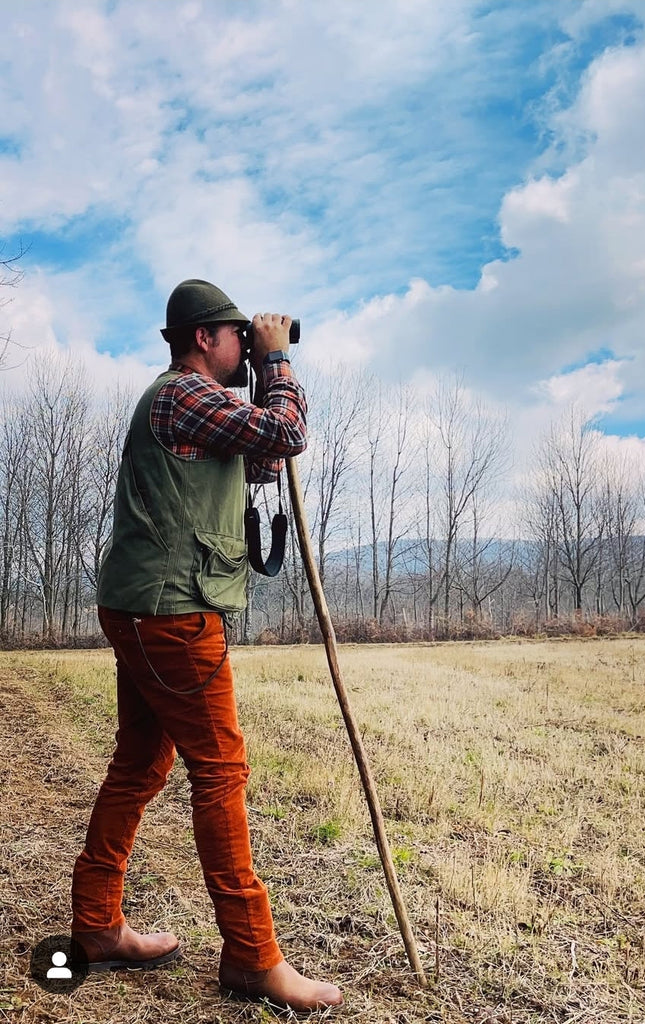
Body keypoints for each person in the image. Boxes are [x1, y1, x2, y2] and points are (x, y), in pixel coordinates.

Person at [70, 279, 343, 1012]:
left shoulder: (201, 405)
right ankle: (253, 958)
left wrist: (258, 376)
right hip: (172, 612)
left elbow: (259, 459)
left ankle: (96, 928)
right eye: (238, 339)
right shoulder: (180, 394)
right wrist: (279, 363)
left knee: (140, 764)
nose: (245, 349)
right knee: (220, 771)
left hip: (149, 607)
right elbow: (286, 433)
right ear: (204, 339)